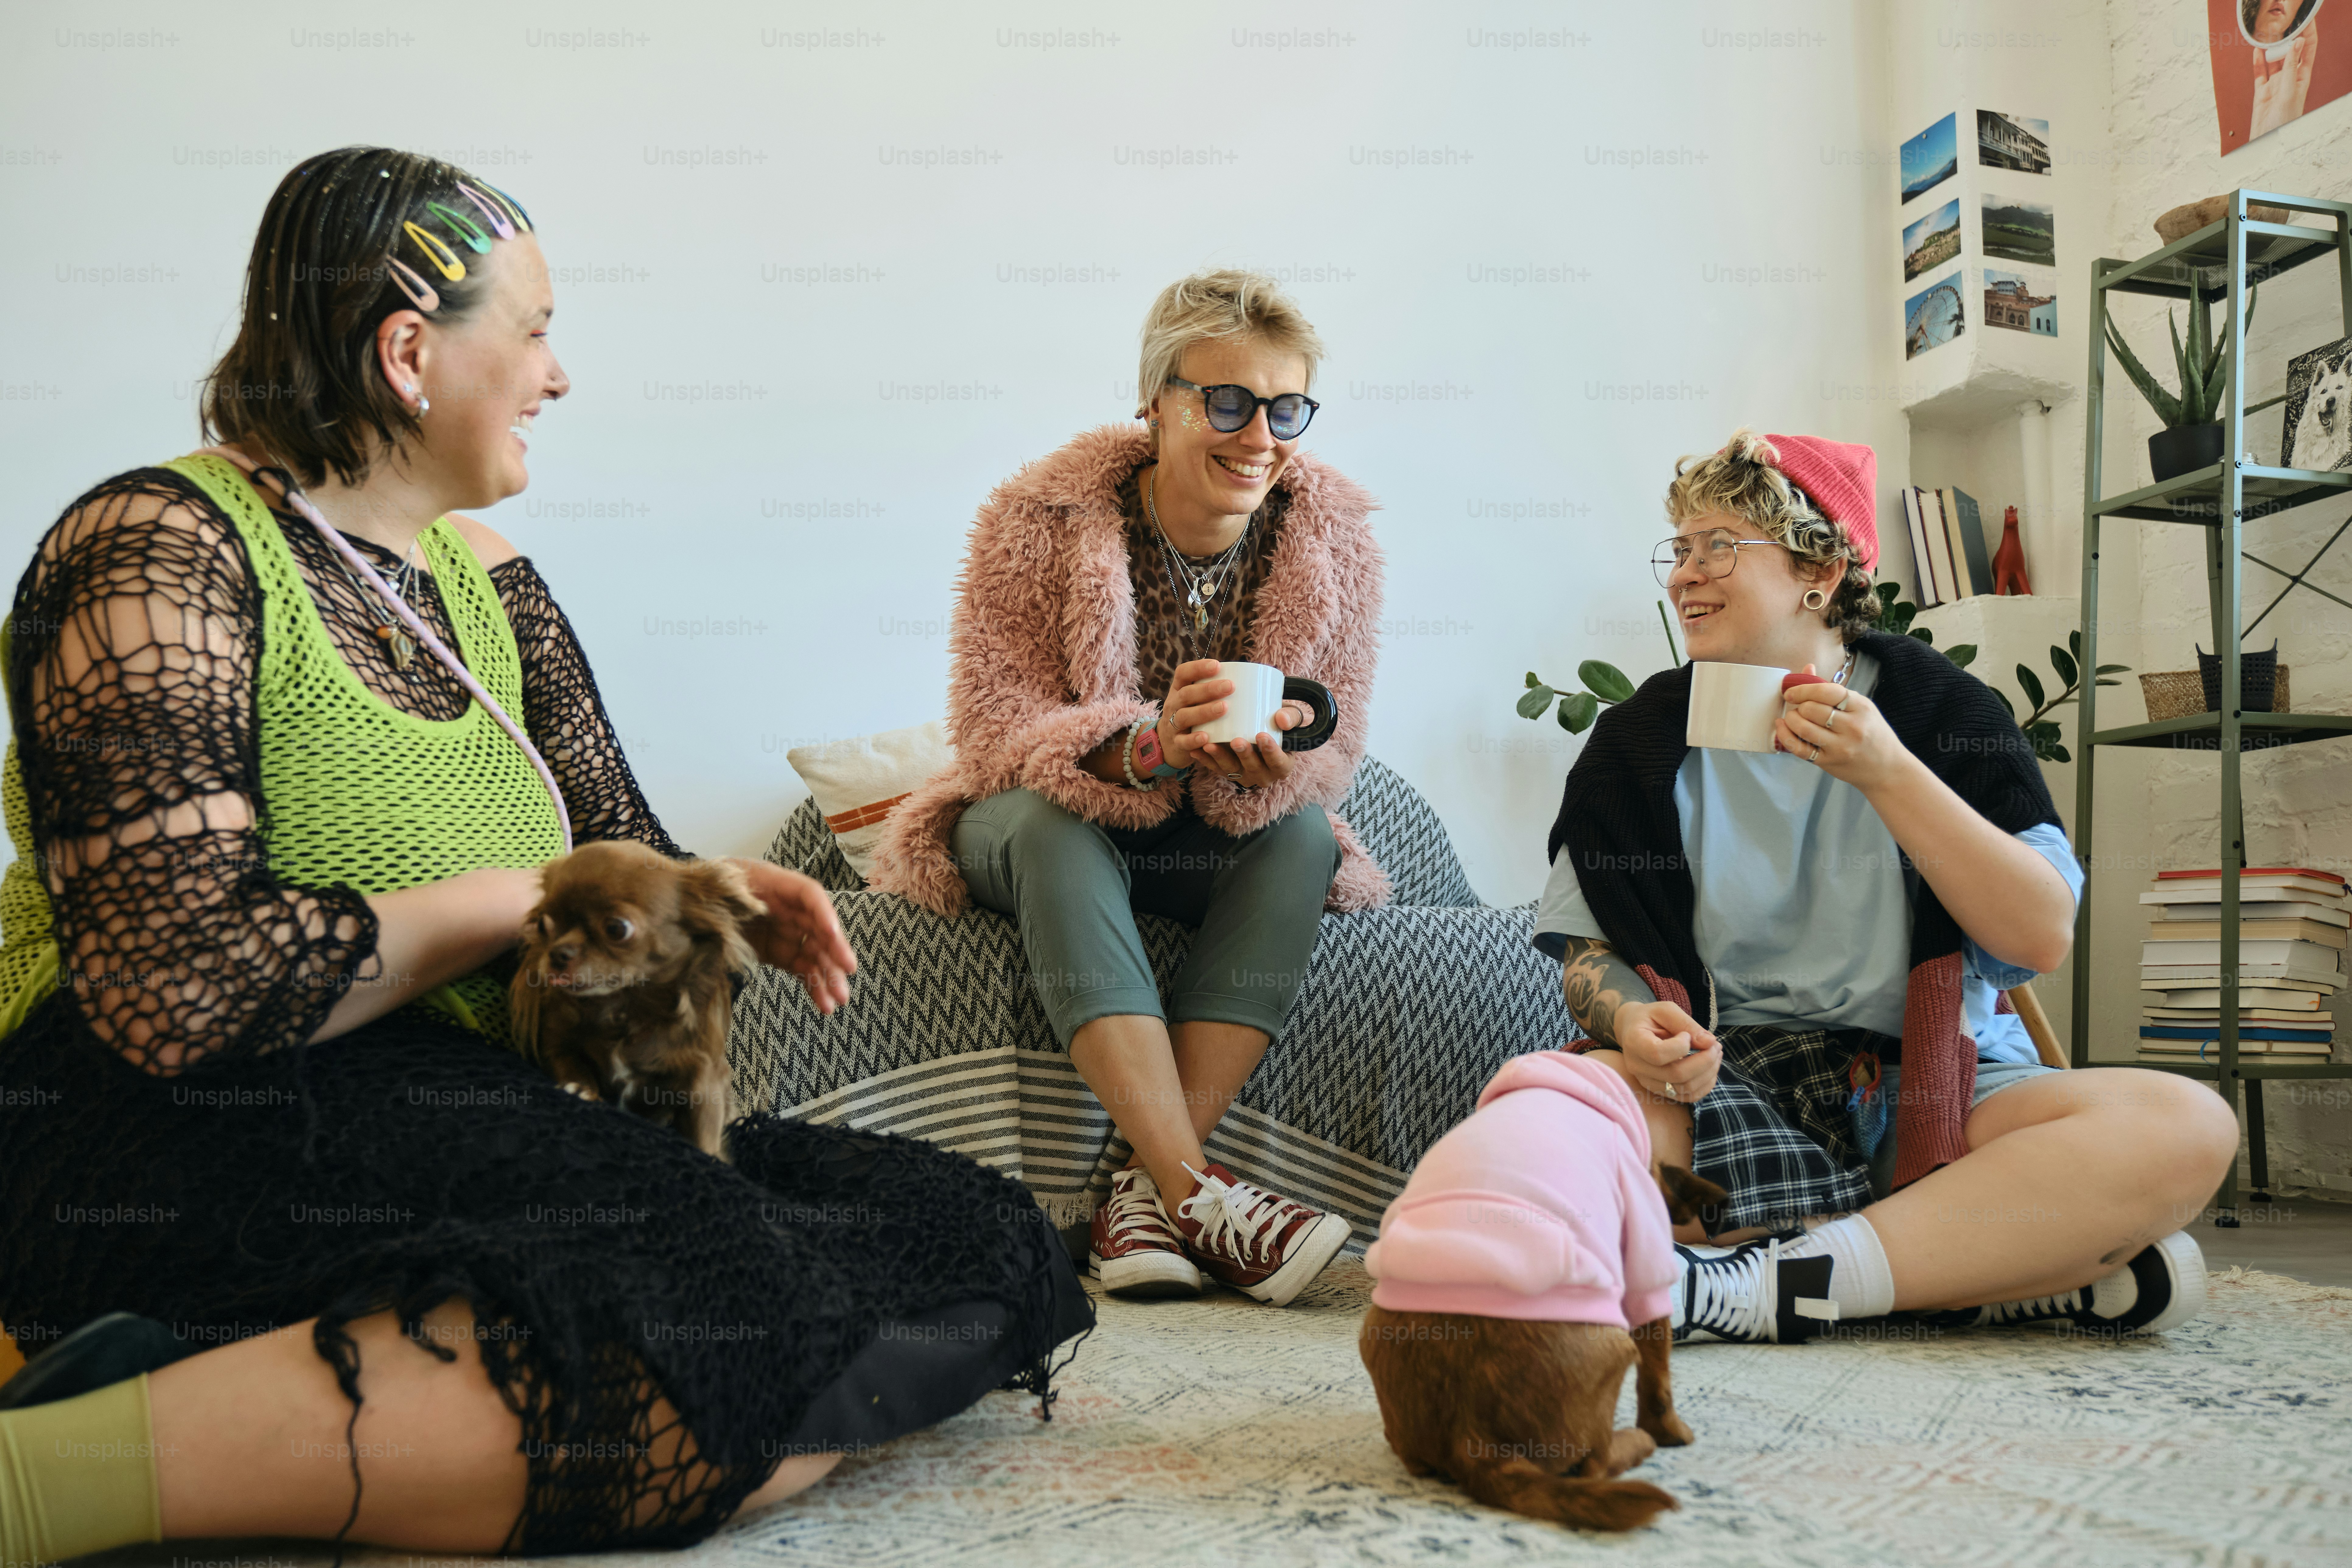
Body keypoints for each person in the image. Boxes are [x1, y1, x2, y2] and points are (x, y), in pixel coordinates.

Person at [0, 148, 1089, 1561]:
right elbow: (178, 999)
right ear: (408, 353)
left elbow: (613, 840)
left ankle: (175, 1380)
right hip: (189, 1113)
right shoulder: (151, 541)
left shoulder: (486, 575)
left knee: (974, 1234)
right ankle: (54, 1476)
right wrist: (513, 901)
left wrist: (708, 893)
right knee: (714, 1351)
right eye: (536, 331)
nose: (558, 375)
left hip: (480, 1086)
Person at [1532, 428, 2240, 1344]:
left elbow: (2039, 938)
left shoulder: (1944, 714)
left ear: (1818, 573)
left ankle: (1766, 1281)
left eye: (1720, 548)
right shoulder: (1636, 746)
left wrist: (1890, 775)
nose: (1683, 575)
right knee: (1556, 1118)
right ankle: (1970, 1274)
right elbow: (1591, 956)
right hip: (1729, 1097)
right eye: (1681, 549)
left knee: (2184, 1125)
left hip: (1934, 1101)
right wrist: (1632, 1023)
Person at [871, 270, 1386, 1307]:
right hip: (1038, 825)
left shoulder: (1332, 538)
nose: (1259, 436)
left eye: (1284, 408)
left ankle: (1143, 1203)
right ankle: (1202, 1192)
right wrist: (1140, 751)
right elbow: (994, 730)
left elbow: (1340, 733)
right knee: (1050, 823)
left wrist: (1288, 747)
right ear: (1156, 401)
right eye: (1227, 403)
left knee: (1304, 841)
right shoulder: (1041, 518)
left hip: (1217, 834)